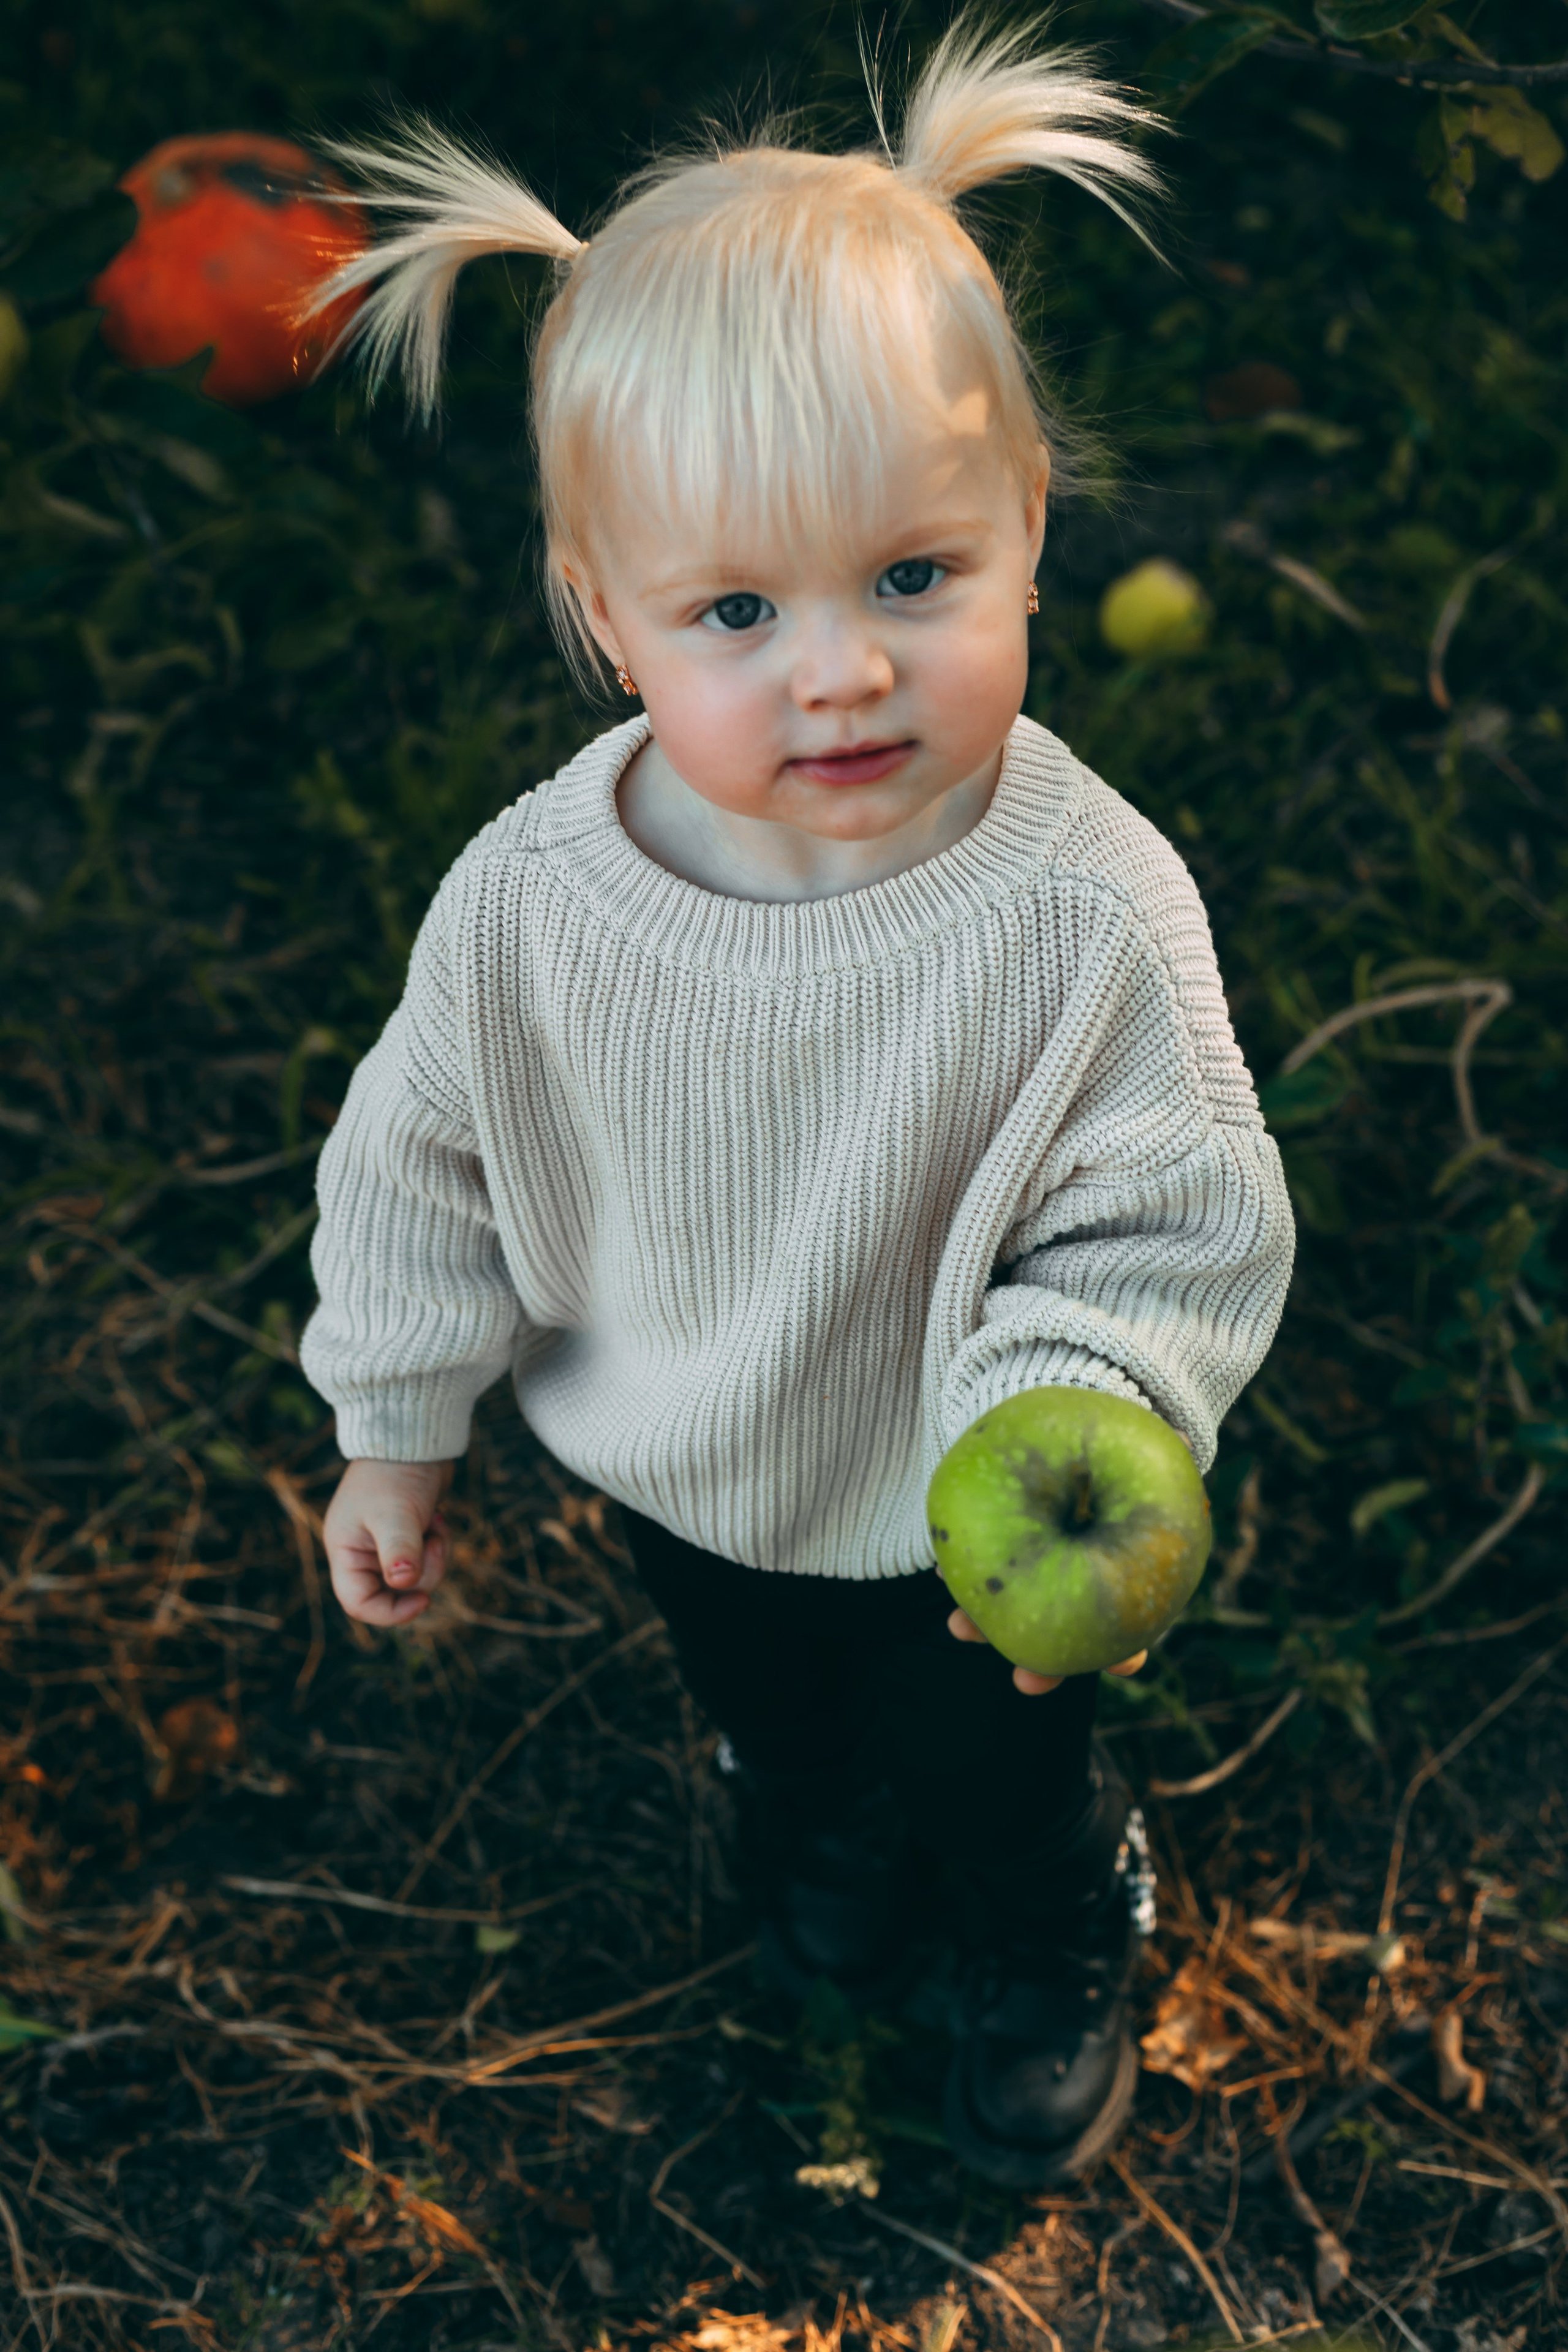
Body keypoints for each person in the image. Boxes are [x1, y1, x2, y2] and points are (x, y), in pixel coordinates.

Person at [301, 13, 1294, 2190]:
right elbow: (417, 1163)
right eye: (738, 609)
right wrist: (395, 1420)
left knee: (996, 1768)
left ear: (1029, 527)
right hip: (692, 1455)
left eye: (913, 579)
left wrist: (1063, 1413)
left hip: (973, 1498)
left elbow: (1173, 1212)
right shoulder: (541, 905)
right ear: (605, 618)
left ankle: (1049, 1933)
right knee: (778, 1714)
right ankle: (813, 1811)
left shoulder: (1085, 908)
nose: (837, 668)